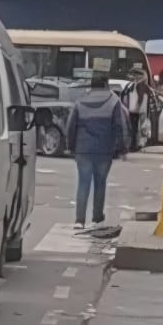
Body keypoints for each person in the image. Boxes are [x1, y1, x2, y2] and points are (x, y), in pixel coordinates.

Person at [65, 72, 131, 231]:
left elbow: (71, 126)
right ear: (106, 84)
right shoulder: (113, 101)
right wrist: (123, 147)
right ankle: (97, 218)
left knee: (83, 183)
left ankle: (79, 220)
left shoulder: (80, 101)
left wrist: (71, 146)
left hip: (83, 149)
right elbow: (119, 126)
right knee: (100, 183)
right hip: (104, 149)